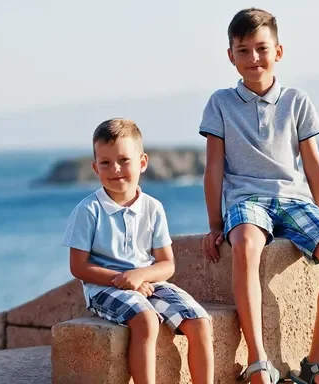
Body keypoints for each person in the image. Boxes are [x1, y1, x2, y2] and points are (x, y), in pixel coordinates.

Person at [199, 8, 319, 384]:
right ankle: (258, 360)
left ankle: (316, 361)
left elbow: (314, 164)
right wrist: (214, 225)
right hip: (247, 201)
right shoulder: (219, 103)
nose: (253, 59)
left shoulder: (297, 100)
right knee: (246, 247)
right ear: (230, 55)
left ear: (278, 51)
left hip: (294, 200)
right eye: (243, 51)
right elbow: (213, 168)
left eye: (261, 48)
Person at [63, 118, 214, 384]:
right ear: (95, 167)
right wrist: (123, 280)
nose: (115, 169)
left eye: (124, 160)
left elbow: (167, 264)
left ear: (142, 162)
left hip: (147, 282)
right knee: (146, 320)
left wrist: (140, 277)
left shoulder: (153, 208)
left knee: (200, 322)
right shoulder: (88, 211)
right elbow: (78, 267)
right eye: (106, 163)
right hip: (103, 288)